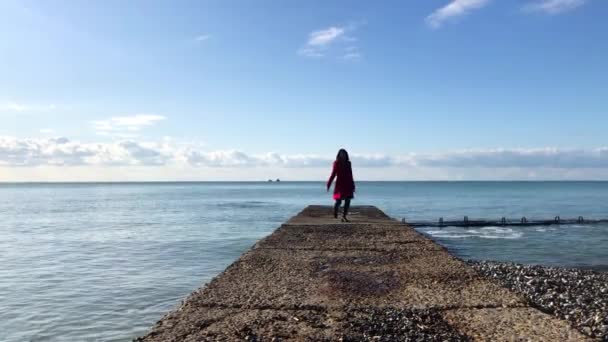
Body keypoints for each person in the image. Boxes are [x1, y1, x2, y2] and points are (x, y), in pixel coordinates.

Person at [326, 149, 355, 222]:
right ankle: (335, 212)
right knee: (338, 201)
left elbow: (350, 174)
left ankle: (344, 216)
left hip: (348, 184)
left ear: (346, 155)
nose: (343, 155)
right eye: (341, 154)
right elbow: (333, 174)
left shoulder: (348, 163)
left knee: (348, 201)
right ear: (339, 155)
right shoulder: (336, 163)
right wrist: (329, 184)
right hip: (340, 184)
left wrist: (353, 185)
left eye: (344, 154)